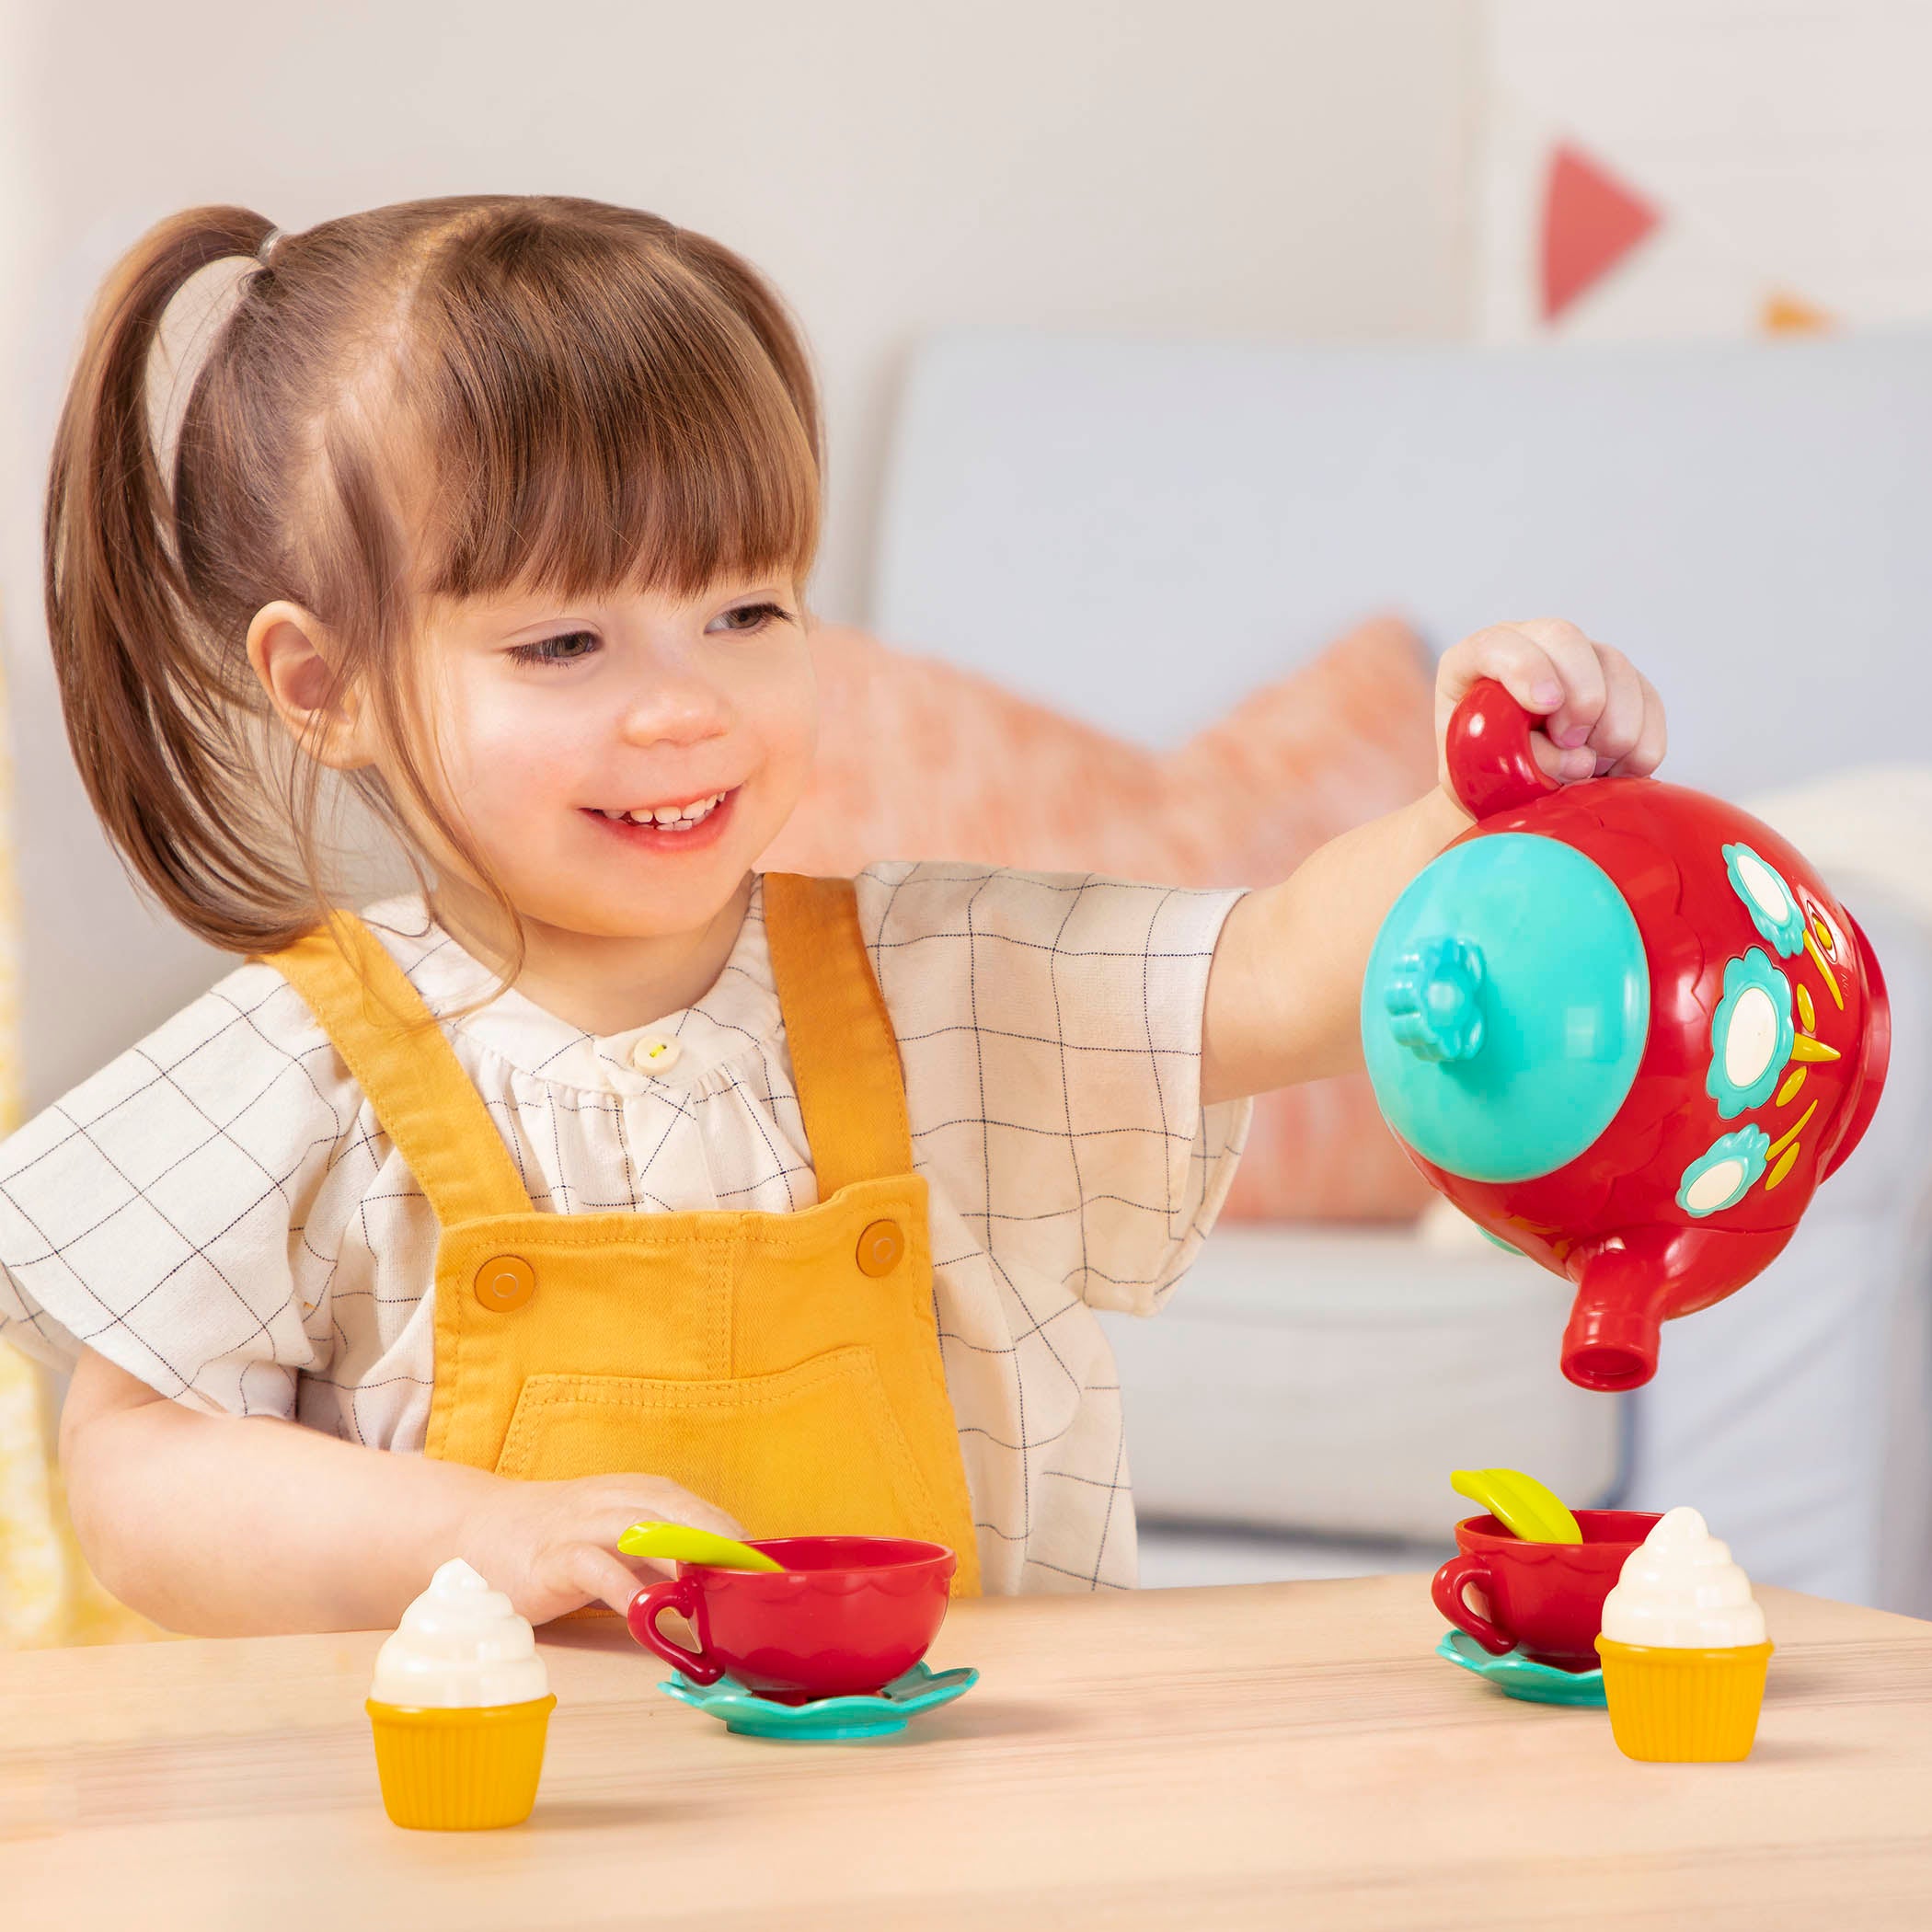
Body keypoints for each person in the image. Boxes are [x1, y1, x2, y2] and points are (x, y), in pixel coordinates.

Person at [3, 196, 1665, 1634]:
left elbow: (1293, 966)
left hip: (939, 1832)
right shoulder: (295, 1065)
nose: (687, 708)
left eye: (744, 608)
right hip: (492, 1839)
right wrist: (473, 1540)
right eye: (563, 646)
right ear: (327, 684)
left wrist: (1486, 811)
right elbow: (144, 1474)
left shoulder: (945, 979)